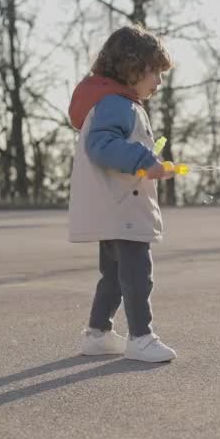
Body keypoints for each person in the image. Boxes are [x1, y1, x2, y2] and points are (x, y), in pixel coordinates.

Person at [67, 24, 177, 363]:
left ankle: (98, 334)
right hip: (122, 209)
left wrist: (152, 162)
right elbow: (102, 146)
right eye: (155, 73)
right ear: (132, 68)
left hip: (114, 207)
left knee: (113, 276)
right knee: (137, 276)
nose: (158, 82)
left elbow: (113, 145)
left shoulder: (113, 102)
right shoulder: (117, 104)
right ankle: (141, 338)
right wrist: (145, 161)